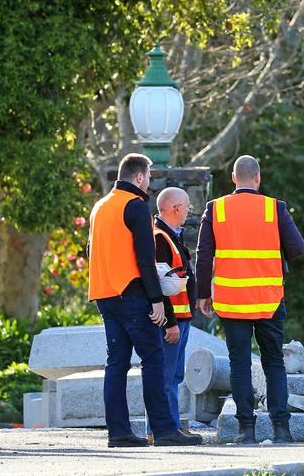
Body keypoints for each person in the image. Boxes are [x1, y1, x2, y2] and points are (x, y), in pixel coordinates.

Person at [88, 153, 201, 448]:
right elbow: (145, 258)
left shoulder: (100, 207)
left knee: (117, 364)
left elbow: (91, 251)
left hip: (105, 294)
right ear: (139, 177)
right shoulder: (136, 206)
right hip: (133, 294)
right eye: (149, 177)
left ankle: (119, 432)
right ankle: (164, 430)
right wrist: (157, 300)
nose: (149, 183)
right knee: (154, 360)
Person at [195, 155, 304, 444]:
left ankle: (247, 431)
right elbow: (297, 247)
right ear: (257, 177)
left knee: (240, 364)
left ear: (234, 178)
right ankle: (281, 429)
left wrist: (203, 294)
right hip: (269, 299)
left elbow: (203, 256)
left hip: (231, 301)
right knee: (273, 363)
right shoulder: (274, 208)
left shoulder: (215, 209)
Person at [145, 187, 202, 444]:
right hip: (172, 321)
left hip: (181, 318)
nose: (189, 211)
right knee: (165, 377)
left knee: (173, 376)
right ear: (176, 208)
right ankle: (163, 429)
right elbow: (159, 284)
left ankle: (171, 426)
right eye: (187, 206)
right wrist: (169, 323)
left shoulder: (170, 236)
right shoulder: (160, 238)